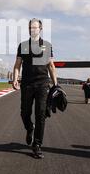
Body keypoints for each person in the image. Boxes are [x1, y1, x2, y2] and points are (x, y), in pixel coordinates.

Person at [12, 18, 58, 159]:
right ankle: (29, 128)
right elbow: (17, 65)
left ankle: (37, 145)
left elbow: (51, 66)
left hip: (42, 84)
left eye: (35, 27)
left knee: (40, 115)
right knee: (24, 113)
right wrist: (15, 78)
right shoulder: (23, 45)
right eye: (30, 27)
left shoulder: (47, 45)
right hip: (27, 84)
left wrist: (56, 85)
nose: (33, 30)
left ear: (40, 29)